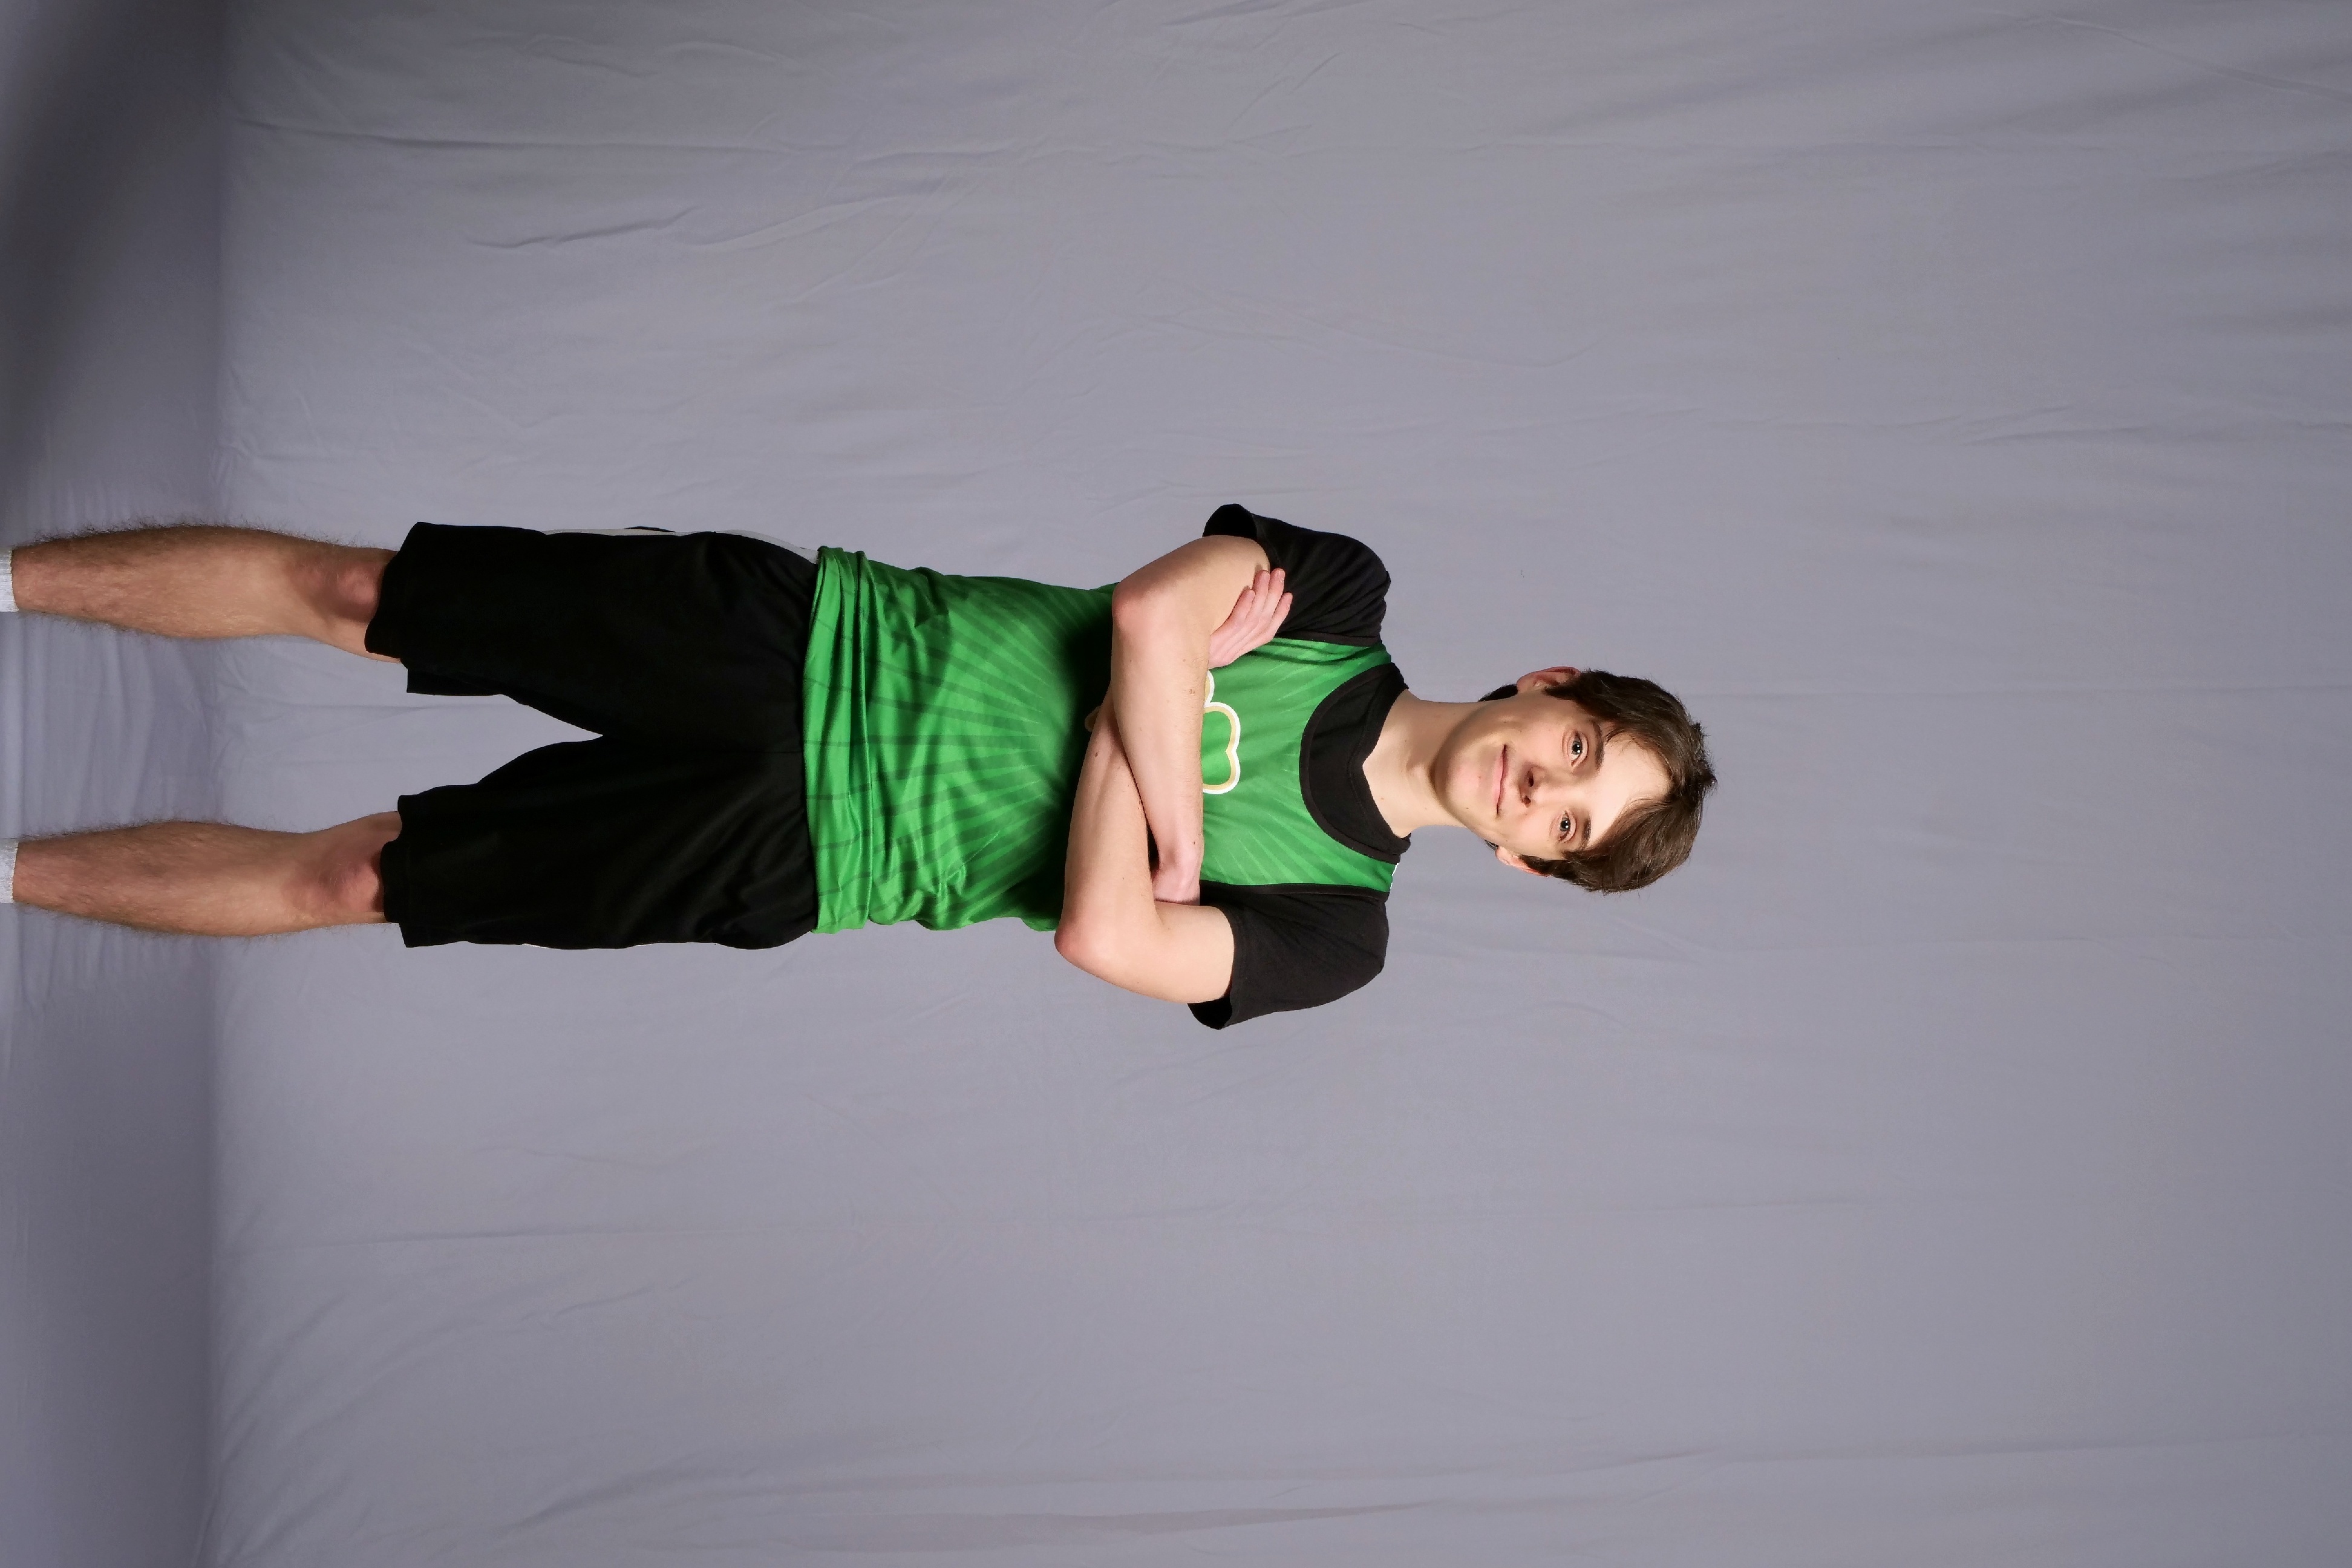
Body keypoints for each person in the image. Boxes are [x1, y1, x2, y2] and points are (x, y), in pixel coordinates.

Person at [0, 508, 1714, 1026]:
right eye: (1577, 750)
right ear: (1552, 681)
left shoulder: (1339, 932)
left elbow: (1104, 940)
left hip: (805, 851)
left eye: (1570, 825)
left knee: (351, 879)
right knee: (355, 592)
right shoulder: (1339, 597)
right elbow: (1141, 616)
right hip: (805, 638)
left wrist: (1157, 710)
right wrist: (1163, 815)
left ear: (1530, 863)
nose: (1542, 789)